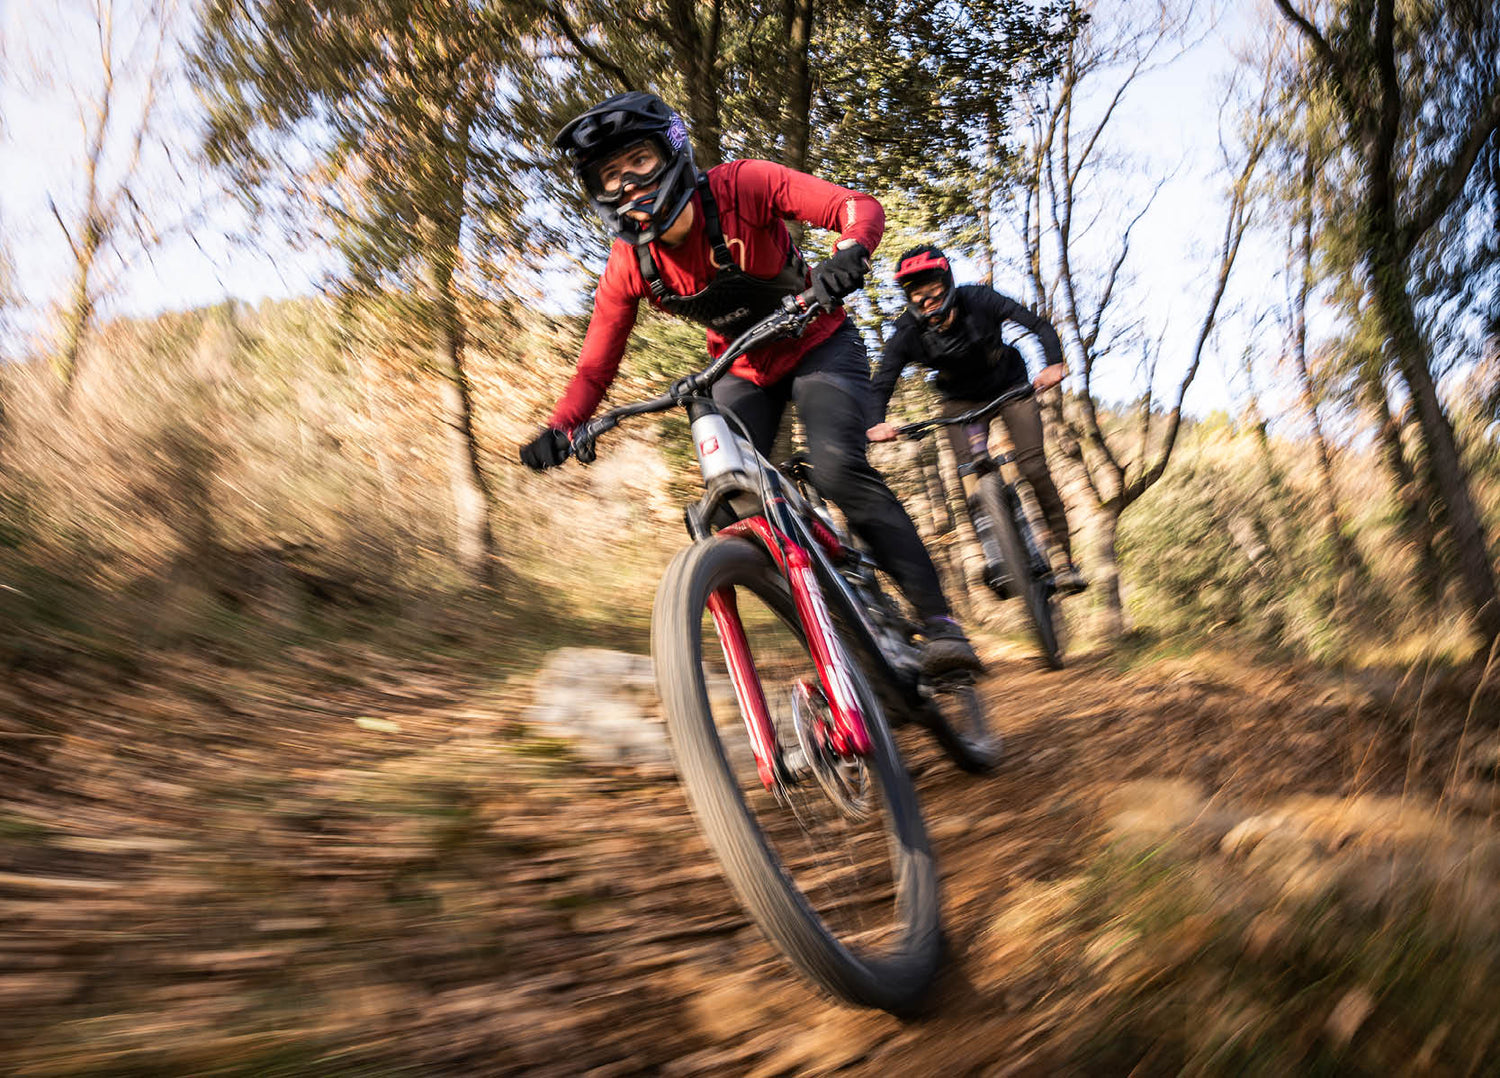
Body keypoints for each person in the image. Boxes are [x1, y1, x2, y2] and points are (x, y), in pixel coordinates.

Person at [517, 92, 982, 674]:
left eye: (636, 160)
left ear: (672, 150)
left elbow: (856, 207)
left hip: (821, 347)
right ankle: (834, 641)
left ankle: (939, 623)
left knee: (838, 467)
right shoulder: (628, 265)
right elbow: (594, 367)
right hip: (740, 371)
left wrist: (849, 253)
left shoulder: (743, 185)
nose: (628, 182)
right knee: (733, 512)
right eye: (609, 175)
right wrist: (561, 428)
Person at [867, 243, 1087, 594]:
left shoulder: (980, 300)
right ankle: (996, 556)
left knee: (1033, 468)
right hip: (960, 403)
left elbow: (1038, 325)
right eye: (917, 294)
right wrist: (876, 421)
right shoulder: (908, 332)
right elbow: (882, 381)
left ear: (948, 282)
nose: (927, 300)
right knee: (968, 475)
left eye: (933, 289)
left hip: (1010, 388)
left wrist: (1053, 363)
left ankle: (1063, 559)